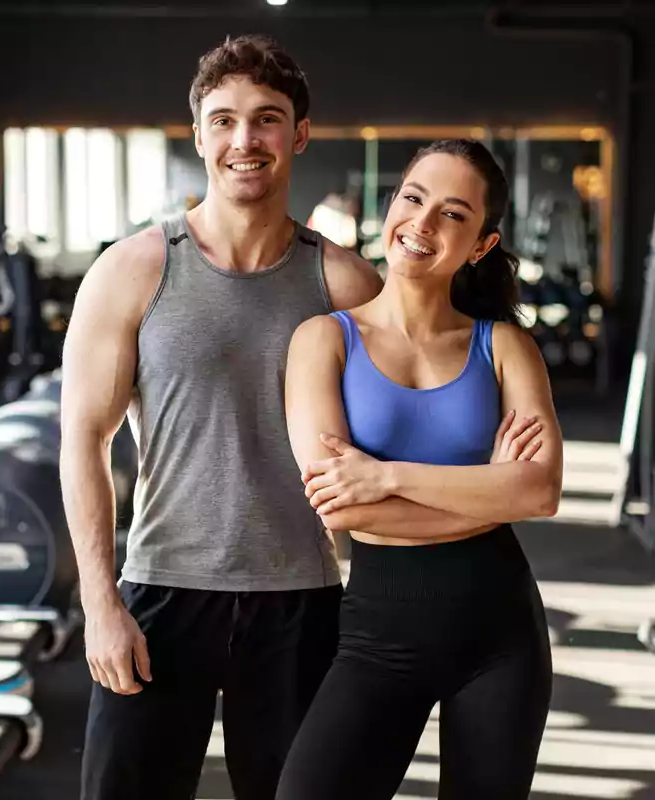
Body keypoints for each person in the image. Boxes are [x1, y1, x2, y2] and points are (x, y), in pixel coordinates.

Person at [59, 35, 383, 799]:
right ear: (199, 134)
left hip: (301, 599)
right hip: (163, 591)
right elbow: (83, 438)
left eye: (267, 119)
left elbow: (411, 411)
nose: (246, 140)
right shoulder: (134, 269)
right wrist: (99, 603)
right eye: (225, 120)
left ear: (298, 135)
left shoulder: (343, 280)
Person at [275, 138, 562, 799]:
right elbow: (341, 508)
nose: (424, 224)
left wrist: (387, 476)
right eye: (413, 198)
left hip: (502, 635)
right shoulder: (324, 340)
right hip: (379, 634)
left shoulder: (505, 346)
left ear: (483, 243)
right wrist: (491, 489)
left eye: (454, 214)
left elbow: (540, 490)